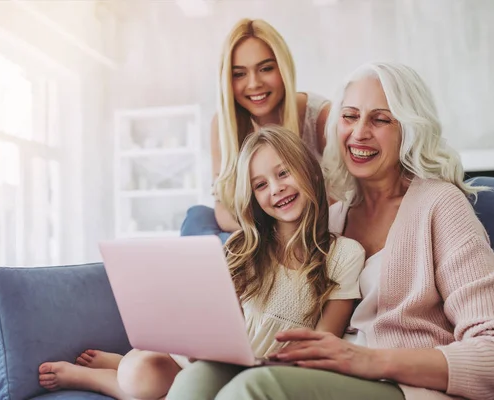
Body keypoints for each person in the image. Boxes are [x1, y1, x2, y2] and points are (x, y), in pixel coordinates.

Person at [165, 62, 494, 400]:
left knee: (258, 388)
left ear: (410, 128)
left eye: (380, 120)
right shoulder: (329, 217)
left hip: (408, 387)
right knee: (200, 377)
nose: (359, 133)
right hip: (335, 376)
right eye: (350, 117)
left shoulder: (441, 205)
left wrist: (369, 360)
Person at [38, 125, 365, 399]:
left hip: (266, 372)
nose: (276, 189)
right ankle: (109, 370)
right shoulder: (244, 247)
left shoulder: (344, 255)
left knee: (144, 377)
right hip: (211, 359)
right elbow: (213, 317)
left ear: (309, 171)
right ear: (253, 197)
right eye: (261, 185)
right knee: (141, 372)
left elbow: (326, 344)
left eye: (284, 173)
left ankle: (112, 369)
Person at [180, 18, 330, 243]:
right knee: (197, 218)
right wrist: (263, 230)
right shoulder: (222, 125)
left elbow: (340, 206)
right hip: (257, 231)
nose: (254, 84)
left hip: (304, 230)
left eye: (266, 69)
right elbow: (223, 210)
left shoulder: (320, 116)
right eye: (239, 74)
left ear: (284, 69)